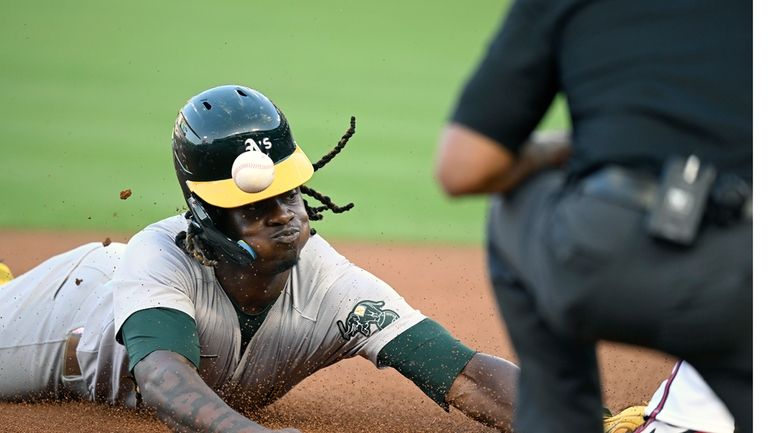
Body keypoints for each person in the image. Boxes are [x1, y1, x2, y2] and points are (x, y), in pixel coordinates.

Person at [0, 85, 517, 433]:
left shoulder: (332, 284)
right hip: (63, 309)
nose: (285, 217)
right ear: (206, 216)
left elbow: (465, 373)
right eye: (254, 208)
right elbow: (162, 377)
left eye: (291, 195)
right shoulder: (161, 256)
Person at [434, 0, 752, 432]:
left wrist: (563, 148)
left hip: (602, 254)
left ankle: (560, 418)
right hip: (744, 276)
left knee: (517, 198)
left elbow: (464, 168)